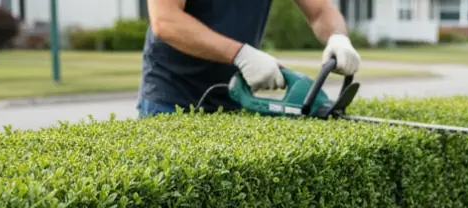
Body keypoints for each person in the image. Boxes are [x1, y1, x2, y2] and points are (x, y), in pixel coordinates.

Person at [139, 0, 361, 118]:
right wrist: (240, 54)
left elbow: (320, 10)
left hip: (233, 97)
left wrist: (338, 37)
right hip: (171, 99)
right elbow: (165, 21)